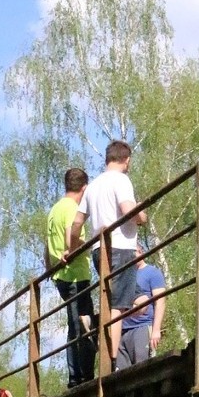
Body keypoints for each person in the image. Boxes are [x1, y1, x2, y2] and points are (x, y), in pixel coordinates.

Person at [69, 140, 147, 366]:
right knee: (118, 306)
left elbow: (76, 223)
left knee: (139, 301)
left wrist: (72, 249)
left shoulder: (92, 186)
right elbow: (128, 210)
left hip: (98, 251)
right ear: (127, 160)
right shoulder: (121, 180)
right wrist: (142, 216)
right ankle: (113, 361)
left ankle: (96, 323)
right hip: (121, 248)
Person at [46, 167, 95, 388]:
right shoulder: (72, 208)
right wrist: (88, 244)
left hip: (60, 276)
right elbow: (70, 238)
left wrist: (50, 269)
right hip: (76, 275)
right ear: (83, 188)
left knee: (74, 325)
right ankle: (83, 376)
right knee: (83, 324)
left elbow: (46, 246)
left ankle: (75, 376)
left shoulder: (54, 209)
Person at [117, 243, 165, 370]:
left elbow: (160, 301)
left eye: (135, 252)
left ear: (141, 252)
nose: (132, 256)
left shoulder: (152, 272)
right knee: (121, 373)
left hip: (142, 327)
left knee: (142, 368)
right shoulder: (123, 276)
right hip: (122, 330)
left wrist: (156, 330)